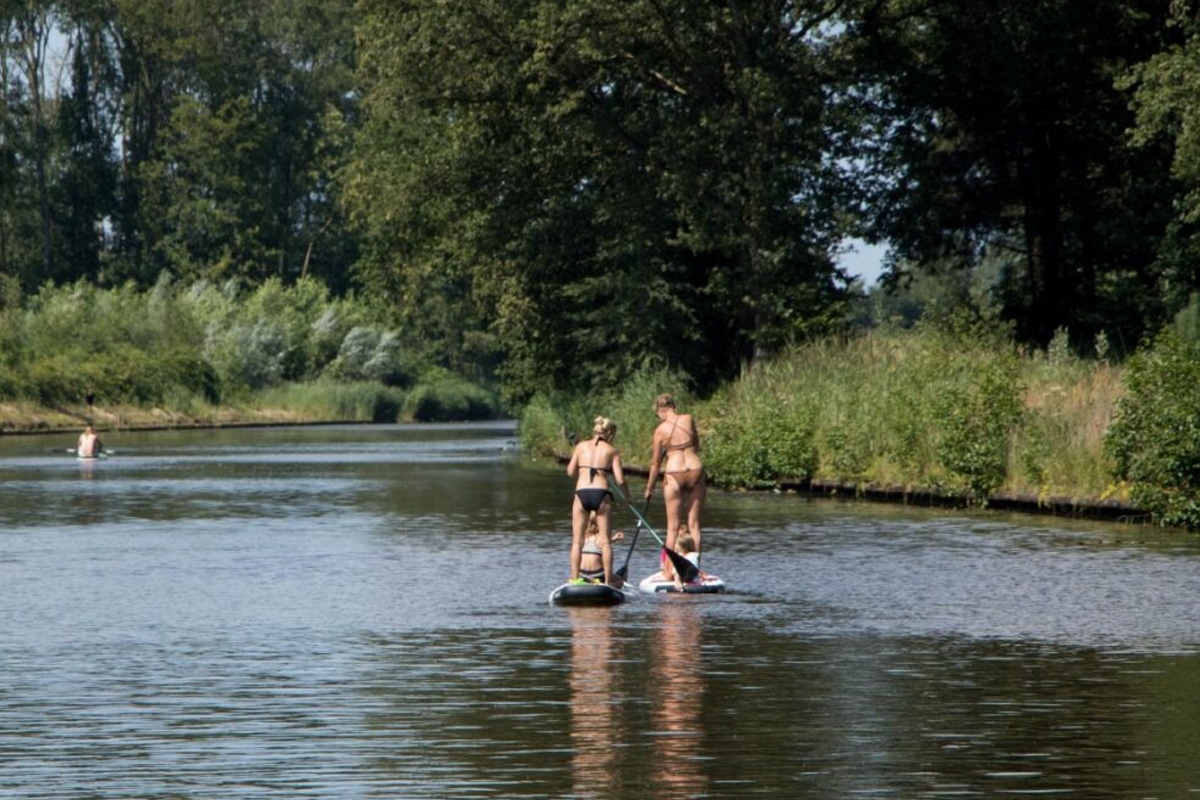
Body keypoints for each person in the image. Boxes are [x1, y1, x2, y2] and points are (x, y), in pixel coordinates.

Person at [644, 393, 705, 582]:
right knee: (694, 524)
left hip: (674, 472)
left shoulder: (660, 430)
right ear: (673, 406)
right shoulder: (688, 419)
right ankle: (693, 570)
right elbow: (696, 444)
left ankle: (668, 572)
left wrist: (649, 488)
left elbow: (655, 464)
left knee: (672, 528)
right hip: (695, 468)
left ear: (661, 410)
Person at [567, 417, 627, 585]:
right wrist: (627, 497)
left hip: (581, 493)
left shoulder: (580, 447)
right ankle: (608, 582)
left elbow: (570, 471)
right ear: (610, 433)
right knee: (606, 542)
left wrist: (583, 473)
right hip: (601, 494)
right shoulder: (612, 451)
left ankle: (574, 579)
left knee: (577, 542)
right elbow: (621, 480)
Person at [579, 513, 625, 586]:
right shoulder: (602, 538)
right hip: (597, 574)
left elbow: (597, 545)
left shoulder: (583, 537)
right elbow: (604, 543)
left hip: (582, 574)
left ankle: (587, 581)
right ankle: (607, 584)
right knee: (620, 581)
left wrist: (614, 539)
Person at [670, 527, 705, 591]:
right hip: (691, 575)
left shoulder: (681, 557)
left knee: (677, 570)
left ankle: (677, 582)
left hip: (684, 574)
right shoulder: (694, 555)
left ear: (679, 549)